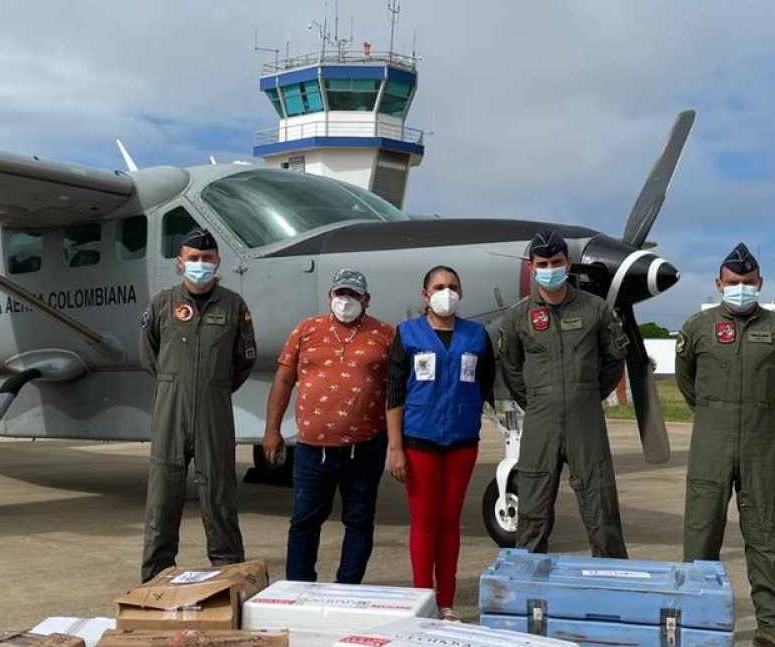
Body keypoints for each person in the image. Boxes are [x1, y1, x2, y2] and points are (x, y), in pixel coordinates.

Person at [676, 242, 775, 647]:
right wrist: (715, 413)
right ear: (719, 284)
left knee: (766, 534)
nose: (741, 289)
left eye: (748, 283)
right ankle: (695, 624)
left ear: (760, 283)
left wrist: (760, 414)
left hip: (760, 444)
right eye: (733, 283)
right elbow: (687, 382)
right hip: (709, 442)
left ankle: (772, 626)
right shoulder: (696, 328)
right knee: (701, 534)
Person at [498, 230, 630, 558]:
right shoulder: (518, 317)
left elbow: (613, 360)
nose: (550, 268)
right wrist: (539, 400)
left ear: (567, 263)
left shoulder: (595, 309)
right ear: (532, 267)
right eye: (543, 263)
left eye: (556, 262)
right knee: (533, 507)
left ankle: (612, 578)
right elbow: (511, 368)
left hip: (586, 419)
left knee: (601, 504)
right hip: (541, 420)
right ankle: (529, 584)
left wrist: (585, 395)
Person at [138, 227, 257, 582]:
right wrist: (175, 383)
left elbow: (245, 359)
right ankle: (156, 579)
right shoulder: (162, 302)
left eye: (207, 259)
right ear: (180, 263)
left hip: (214, 407)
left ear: (218, 262)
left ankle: (227, 575)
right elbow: (149, 354)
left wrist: (213, 387)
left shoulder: (234, 305)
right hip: (170, 407)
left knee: (220, 493)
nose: (200, 264)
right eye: (194, 259)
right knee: (162, 495)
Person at [263, 268, 394, 584]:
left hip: (364, 449)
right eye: (340, 293)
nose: (345, 300)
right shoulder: (307, 330)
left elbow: (398, 389)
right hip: (312, 449)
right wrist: (272, 430)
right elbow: (283, 379)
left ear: (366, 299)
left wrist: (398, 444)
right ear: (329, 296)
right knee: (305, 521)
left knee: (359, 521)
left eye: (353, 294)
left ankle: (348, 587)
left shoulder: (386, 334)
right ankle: (299, 585)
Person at [386, 266, 495, 621]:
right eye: (438, 287)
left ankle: (446, 603)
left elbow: (485, 383)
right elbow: (394, 393)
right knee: (424, 521)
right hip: (419, 442)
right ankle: (423, 601)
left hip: (462, 443)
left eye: (452, 287)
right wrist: (395, 447)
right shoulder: (407, 334)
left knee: (450, 522)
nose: (445, 292)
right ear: (425, 294)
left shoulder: (476, 335)